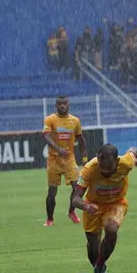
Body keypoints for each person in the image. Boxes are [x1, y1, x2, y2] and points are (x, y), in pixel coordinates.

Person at [71, 144, 137, 273]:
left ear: (116, 162)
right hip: (93, 206)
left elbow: (133, 149)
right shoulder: (89, 170)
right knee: (93, 249)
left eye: (108, 168)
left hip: (117, 203)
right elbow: (75, 198)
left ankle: (99, 266)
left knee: (111, 230)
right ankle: (100, 266)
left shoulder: (126, 163)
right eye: (101, 167)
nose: (104, 171)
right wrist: (86, 206)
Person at [43, 95, 87, 226]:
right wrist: (57, 148)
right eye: (59, 104)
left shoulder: (75, 121)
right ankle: (50, 219)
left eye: (64, 103)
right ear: (56, 106)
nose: (62, 106)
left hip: (69, 159)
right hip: (54, 160)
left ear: (68, 104)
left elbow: (81, 140)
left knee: (77, 188)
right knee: (52, 192)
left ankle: (71, 212)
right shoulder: (50, 119)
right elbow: (45, 136)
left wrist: (85, 159)